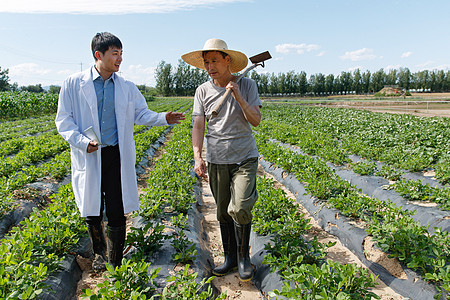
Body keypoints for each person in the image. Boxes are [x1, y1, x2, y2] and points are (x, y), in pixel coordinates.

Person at [55, 32, 185, 270]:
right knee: (92, 207)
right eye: (115, 53)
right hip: (90, 153)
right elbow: (64, 120)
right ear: (98, 55)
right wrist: (82, 142)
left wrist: (163, 118)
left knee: (116, 207)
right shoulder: (73, 83)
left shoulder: (126, 86)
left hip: (115, 154)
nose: (120, 59)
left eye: (121, 53)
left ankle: (115, 260)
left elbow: (141, 114)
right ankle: (99, 255)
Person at [182, 38, 262, 282]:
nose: (210, 67)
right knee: (223, 211)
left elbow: (256, 120)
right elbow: (198, 125)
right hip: (217, 158)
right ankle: (229, 259)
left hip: (244, 156)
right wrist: (198, 156)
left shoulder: (247, 85)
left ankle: (243, 259)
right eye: (206, 63)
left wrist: (238, 96)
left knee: (239, 207)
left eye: (214, 60)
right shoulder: (202, 91)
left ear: (228, 61)